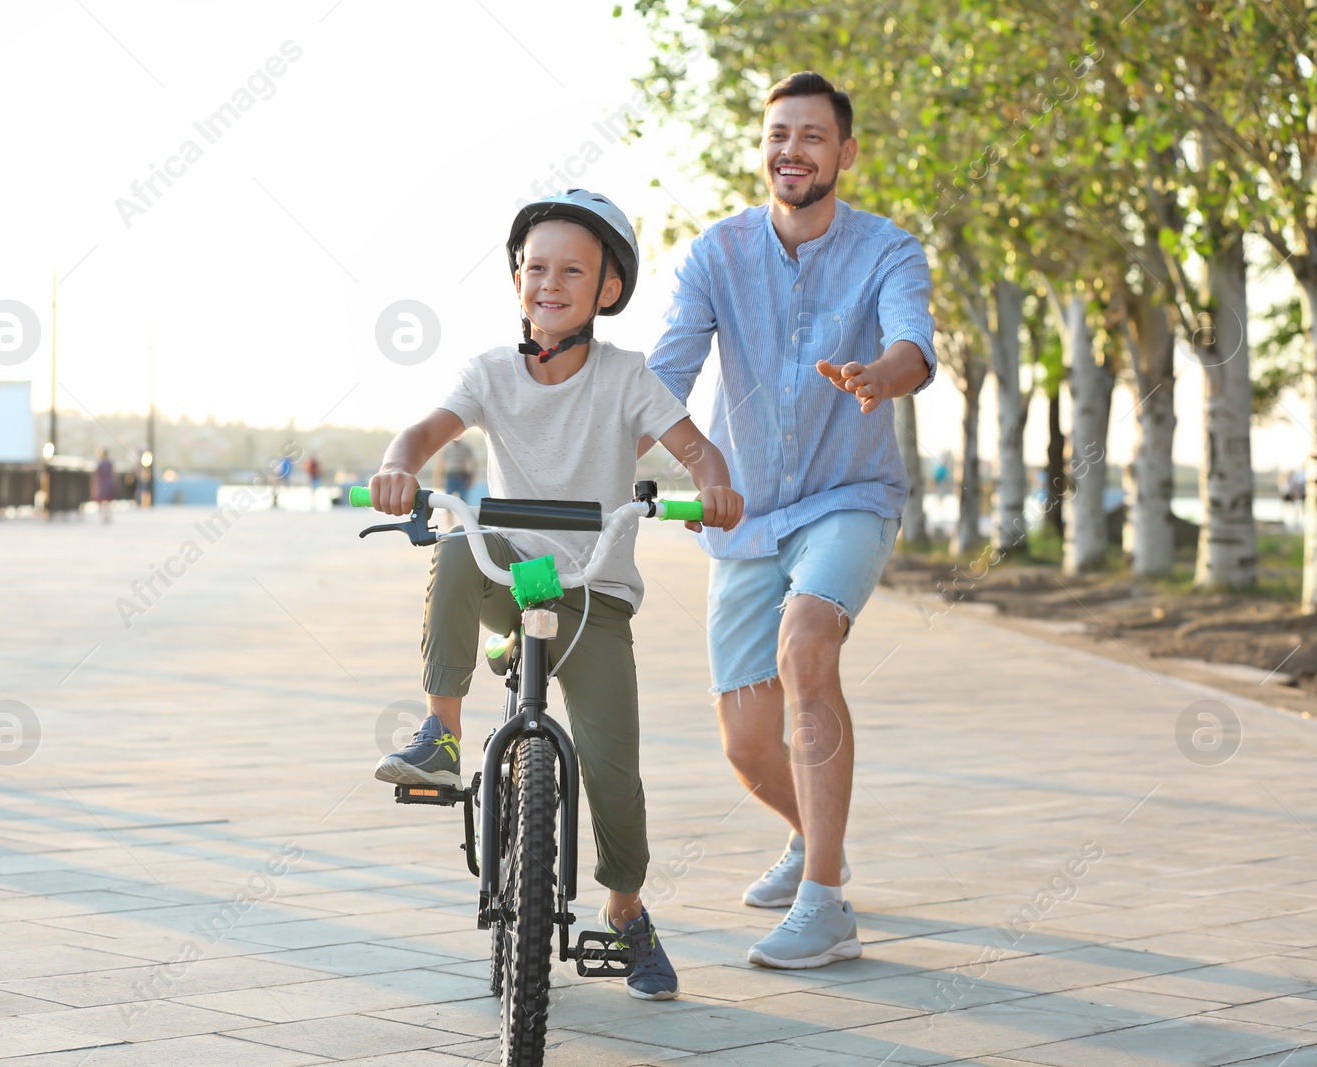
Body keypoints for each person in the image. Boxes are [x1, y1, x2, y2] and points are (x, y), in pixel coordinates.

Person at [368, 189, 744, 1001]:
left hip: (593, 591)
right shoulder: (491, 372)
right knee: (461, 539)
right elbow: (423, 434)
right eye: (535, 266)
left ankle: (627, 909)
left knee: (614, 773)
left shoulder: (625, 378)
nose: (550, 281)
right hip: (521, 574)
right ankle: (440, 732)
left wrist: (713, 485)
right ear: (515, 280)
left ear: (607, 290)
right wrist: (400, 466)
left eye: (573, 269)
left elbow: (698, 450)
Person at [648, 72, 937, 970]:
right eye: (779, 134)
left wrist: (881, 377)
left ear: (845, 153)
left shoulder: (890, 250)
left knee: (807, 645)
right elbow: (662, 378)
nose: (793, 151)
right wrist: (702, 463)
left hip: (849, 494)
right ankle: (817, 840)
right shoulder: (715, 254)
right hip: (743, 514)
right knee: (744, 743)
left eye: (813, 136)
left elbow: (912, 345)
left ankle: (824, 900)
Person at [442, 435, 476, 502]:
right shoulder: (447, 449)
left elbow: (471, 463)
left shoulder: (465, 447)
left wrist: (471, 477)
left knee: (463, 499)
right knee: (448, 499)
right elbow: (442, 464)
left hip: (462, 477)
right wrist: (441, 478)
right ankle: (448, 512)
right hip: (451, 476)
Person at [93, 448, 115, 524]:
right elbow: (113, 474)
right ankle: (106, 515)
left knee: (102, 501)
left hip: (102, 483)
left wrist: (94, 486)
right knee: (107, 501)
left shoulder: (100, 463)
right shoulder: (109, 463)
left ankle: (103, 515)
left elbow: (96, 475)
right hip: (107, 483)